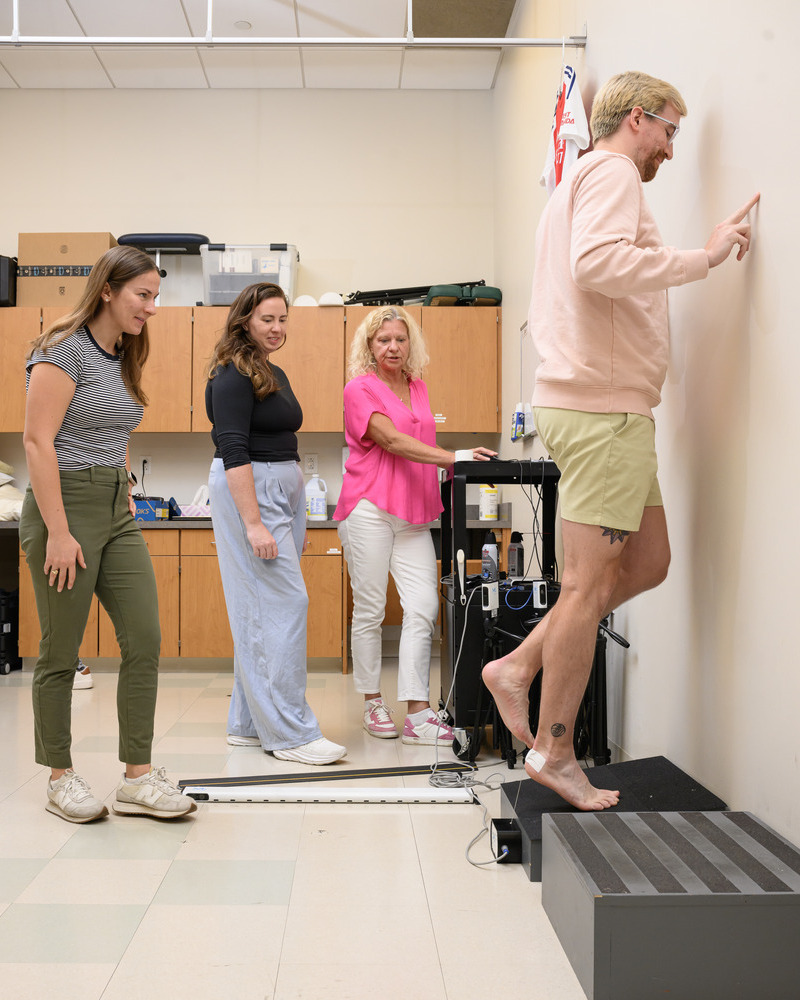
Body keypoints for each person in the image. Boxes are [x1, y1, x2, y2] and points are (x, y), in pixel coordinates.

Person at [483, 71, 760, 811]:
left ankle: (517, 667)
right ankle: (557, 749)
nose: (671, 146)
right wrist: (701, 259)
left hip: (613, 409)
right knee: (585, 587)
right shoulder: (608, 171)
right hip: (602, 410)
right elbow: (598, 266)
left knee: (647, 562)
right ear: (636, 118)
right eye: (669, 129)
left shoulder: (579, 180)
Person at [19, 245, 197, 823]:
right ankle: (59, 777)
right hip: (61, 507)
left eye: (155, 296)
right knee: (61, 652)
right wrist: (60, 531)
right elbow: (37, 443)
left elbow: (115, 428)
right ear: (107, 291)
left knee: (144, 638)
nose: (152, 307)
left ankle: (137, 778)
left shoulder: (123, 353)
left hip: (115, 511)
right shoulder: (61, 350)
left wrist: (122, 483)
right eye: (142, 295)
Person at [335, 306, 496, 744]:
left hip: (414, 513)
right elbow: (389, 439)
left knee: (423, 607)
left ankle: (417, 713)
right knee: (370, 609)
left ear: (411, 345)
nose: (392, 346)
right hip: (368, 505)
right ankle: (372, 701)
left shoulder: (418, 387)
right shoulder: (359, 389)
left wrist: (454, 462)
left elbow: (420, 440)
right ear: (369, 346)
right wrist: (453, 456)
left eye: (400, 339)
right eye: (383, 339)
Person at [206, 282, 346, 766]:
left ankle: (247, 725)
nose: (277, 327)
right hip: (254, 490)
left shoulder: (269, 370)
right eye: (267, 319)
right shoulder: (230, 375)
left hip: (280, 491)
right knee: (283, 606)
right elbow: (233, 450)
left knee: (263, 608)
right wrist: (254, 524)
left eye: (283, 319)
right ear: (244, 319)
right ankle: (291, 734)